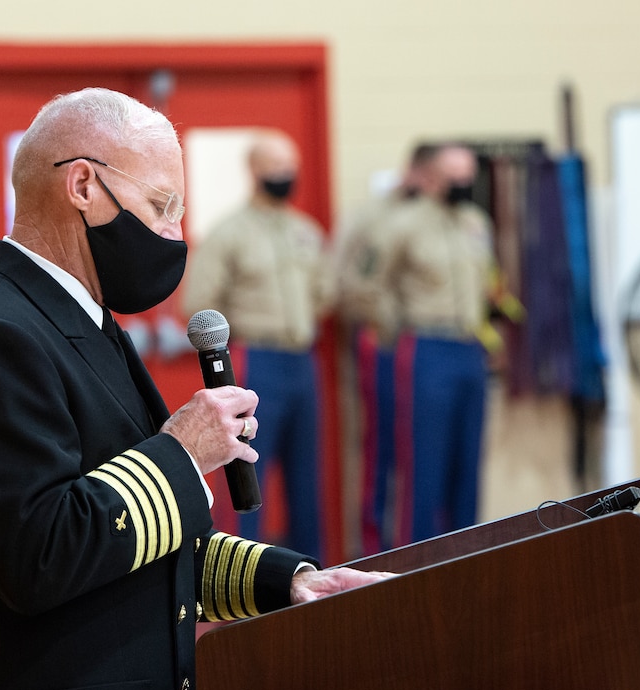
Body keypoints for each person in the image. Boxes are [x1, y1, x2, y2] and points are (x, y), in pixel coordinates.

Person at [0, 88, 387, 690]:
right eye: (163, 205)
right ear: (82, 186)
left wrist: (287, 582)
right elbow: (39, 556)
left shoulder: (89, 324)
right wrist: (182, 455)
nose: (174, 233)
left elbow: (139, 550)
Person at [183, 130, 333, 560]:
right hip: (255, 359)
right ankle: (241, 577)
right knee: (247, 470)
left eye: (290, 168)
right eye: (275, 167)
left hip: (302, 360)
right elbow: (196, 303)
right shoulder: (228, 233)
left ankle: (312, 579)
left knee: (307, 477)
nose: (284, 176)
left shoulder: (305, 231)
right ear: (254, 170)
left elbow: (324, 292)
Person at [365, 143, 497, 545]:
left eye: (468, 176)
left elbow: (486, 282)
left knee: (468, 459)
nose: (462, 184)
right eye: (454, 176)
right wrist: (395, 330)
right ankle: (416, 557)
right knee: (424, 461)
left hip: (469, 348)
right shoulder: (401, 224)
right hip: (425, 347)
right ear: (433, 177)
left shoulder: (476, 222)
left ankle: (465, 552)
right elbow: (366, 285)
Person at [335, 143, 436, 554]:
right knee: (382, 450)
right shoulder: (374, 216)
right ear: (414, 171)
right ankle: (378, 548)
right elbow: (350, 281)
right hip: (385, 342)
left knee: (426, 450)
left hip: (428, 348)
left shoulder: (449, 220)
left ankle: (433, 546)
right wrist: (385, 326)